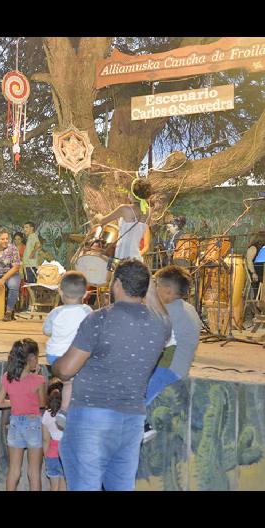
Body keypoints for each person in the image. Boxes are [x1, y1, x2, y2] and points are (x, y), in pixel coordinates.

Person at [52, 259, 171, 491]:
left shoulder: (99, 319)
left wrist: (54, 365)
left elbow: (66, 370)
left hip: (91, 417)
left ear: (116, 283)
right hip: (132, 421)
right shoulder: (162, 325)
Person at [142, 265, 203, 442]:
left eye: (156, 286)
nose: (154, 290)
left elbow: (158, 341)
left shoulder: (168, 311)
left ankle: (141, 427)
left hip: (170, 366)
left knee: (139, 395)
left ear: (168, 291)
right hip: (179, 363)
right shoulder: (187, 308)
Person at [42, 271, 93, 429]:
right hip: (74, 357)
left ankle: (66, 410)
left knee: (68, 383)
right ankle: (65, 410)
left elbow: (47, 331)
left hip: (53, 356)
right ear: (85, 293)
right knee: (74, 382)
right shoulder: (87, 311)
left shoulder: (55, 312)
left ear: (60, 291)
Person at [0, 338, 46, 491]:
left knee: (14, 470)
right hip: (33, 424)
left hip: (15, 425)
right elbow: (42, 404)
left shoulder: (6, 377)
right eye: (36, 357)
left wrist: (15, 402)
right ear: (31, 359)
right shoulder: (38, 380)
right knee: (34, 472)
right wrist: (36, 375)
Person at [93, 178, 153, 262]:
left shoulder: (125, 209)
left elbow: (102, 221)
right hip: (137, 257)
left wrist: (98, 216)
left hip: (122, 256)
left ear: (132, 193)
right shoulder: (149, 212)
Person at [42, 381, 66, 491]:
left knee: (53, 487)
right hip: (64, 456)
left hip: (51, 456)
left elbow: (45, 440)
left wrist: (46, 457)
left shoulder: (46, 414)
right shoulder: (66, 415)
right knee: (63, 486)